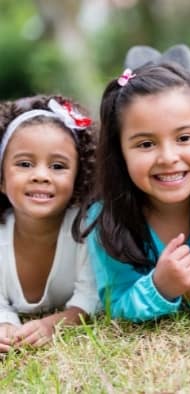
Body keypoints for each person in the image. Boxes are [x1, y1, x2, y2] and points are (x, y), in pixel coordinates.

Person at [82, 62, 190, 322]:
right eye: (146, 144)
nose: (168, 157)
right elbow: (117, 303)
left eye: (184, 138)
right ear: (119, 154)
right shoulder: (106, 217)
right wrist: (160, 287)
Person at [0, 95, 100, 352]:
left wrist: (54, 324)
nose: (41, 176)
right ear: (1, 179)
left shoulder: (86, 230)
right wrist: (6, 326)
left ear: (79, 178)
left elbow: (91, 296)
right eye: (24, 164)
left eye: (58, 166)